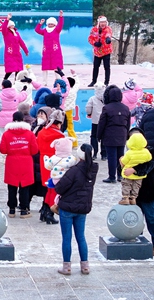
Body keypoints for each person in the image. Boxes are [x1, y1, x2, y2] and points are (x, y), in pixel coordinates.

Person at [55, 144, 99, 275]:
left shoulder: (74, 170)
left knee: (66, 238)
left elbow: (60, 188)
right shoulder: (93, 169)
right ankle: (85, 266)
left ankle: (67, 267)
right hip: (83, 207)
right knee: (81, 237)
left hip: (68, 207)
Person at [123, 128, 154, 256]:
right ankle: (137, 242)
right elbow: (123, 171)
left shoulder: (150, 151)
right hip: (134, 194)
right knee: (136, 220)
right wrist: (122, 165)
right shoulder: (129, 153)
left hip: (149, 191)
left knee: (152, 218)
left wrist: (134, 169)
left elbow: (149, 166)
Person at [0, 111, 39, 218]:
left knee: (12, 187)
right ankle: (24, 210)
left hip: (12, 163)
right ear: (23, 119)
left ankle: (12, 210)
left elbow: (2, 149)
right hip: (26, 163)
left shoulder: (6, 134)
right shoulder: (30, 134)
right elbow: (35, 150)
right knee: (24, 187)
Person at [36, 110, 66, 224]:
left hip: (44, 162)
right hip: (56, 163)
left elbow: (37, 147)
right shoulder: (60, 136)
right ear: (59, 123)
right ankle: (49, 213)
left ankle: (44, 211)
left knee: (48, 188)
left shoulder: (41, 132)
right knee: (54, 189)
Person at [98, 85, 131, 183]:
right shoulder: (125, 108)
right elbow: (128, 123)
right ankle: (120, 175)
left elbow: (102, 123)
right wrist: (126, 134)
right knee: (121, 156)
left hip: (110, 135)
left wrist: (99, 135)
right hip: (122, 134)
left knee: (111, 157)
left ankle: (112, 177)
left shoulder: (107, 108)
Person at [119, 132, 152, 205]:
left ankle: (125, 198)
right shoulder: (146, 152)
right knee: (136, 186)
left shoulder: (129, 153)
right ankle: (133, 198)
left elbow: (124, 162)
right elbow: (149, 159)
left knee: (126, 185)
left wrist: (121, 159)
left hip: (128, 173)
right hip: (139, 175)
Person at [35, 11, 64, 86]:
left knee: (56, 66)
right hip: (46, 52)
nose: (50, 25)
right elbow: (37, 30)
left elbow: (60, 24)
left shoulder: (57, 30)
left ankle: (59, 81)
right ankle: (44, 82)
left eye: (52, 24)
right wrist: (40, 23)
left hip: (55, 52)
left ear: (54, 24)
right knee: (45, 67)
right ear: (47, 24)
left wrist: (61, 17)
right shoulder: (45, 30)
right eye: (49, 24)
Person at [1, 13, 29, 81]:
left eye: (13, 25)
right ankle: (4, 80)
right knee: (10, 70)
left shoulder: (16, 33)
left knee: (18, 69)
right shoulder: (6, 33)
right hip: (10, 54)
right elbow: (3, 28)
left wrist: (26, 51)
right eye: (10, 25)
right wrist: (7, 19)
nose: (12, 26)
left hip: (17, 54)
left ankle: (16, 82)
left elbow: (21, 42)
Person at [87, 15, 113, 87]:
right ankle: (93, 81)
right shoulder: (94, 29)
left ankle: (106, 82)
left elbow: (108, 34)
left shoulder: (108, 29)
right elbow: (90, 39)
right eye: (101, 22)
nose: (103, 24)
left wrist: (108, 39)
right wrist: (95, 43)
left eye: (104, 22)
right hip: (97, 52)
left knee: (106, 67)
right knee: (95, 67)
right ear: (99, 23)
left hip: (106, 51)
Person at [85, 83, 106, 159]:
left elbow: (88, 107)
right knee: (104, 137)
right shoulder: (107, 98)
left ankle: (94, 153)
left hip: (95, 121)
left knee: (94, 136)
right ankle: (104, 154)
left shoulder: (92, 98)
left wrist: (89, 113)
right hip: (105, 121)